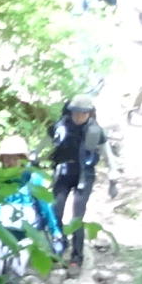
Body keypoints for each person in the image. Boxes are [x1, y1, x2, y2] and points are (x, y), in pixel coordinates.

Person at [0, 135, 62, 284]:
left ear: (23, 159)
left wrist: (55, 232)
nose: (10, 161)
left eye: (14, 157)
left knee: (14, 275)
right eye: (7, 158)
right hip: (0, 234)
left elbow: (45, 207)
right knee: (0, 275)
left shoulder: (34, 179)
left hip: (24, 237)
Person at [49, 95, 108, 270]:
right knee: (56, 210)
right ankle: (58, 247)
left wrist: (113, 175)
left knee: (77, 215)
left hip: (85, 175)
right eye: (75, 113)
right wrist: (34, 156)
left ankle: (77, 256)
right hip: (64, 173)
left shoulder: (95, 131)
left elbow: (107, 152)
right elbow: (45, 143)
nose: (78, 117)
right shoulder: (61, 126)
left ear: (89, 113)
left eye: (82, 113)